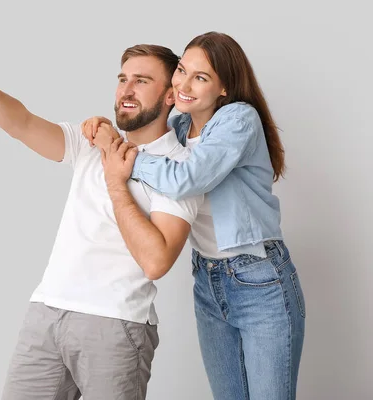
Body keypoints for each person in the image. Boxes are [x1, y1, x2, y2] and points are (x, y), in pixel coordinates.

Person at [0, 26, 204, 400]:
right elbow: (20, 123)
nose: (126, 90)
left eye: (142, 81)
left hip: (116, 324)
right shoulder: (92, 143)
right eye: (122, 79)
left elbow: (156, 262)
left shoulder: (181, 168)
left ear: (169, 95)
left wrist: (118, 183)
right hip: (46, 314)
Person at [82, 31, 306, 400]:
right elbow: (145, 130)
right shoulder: (182, 125)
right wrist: (104, 125)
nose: (183, 85)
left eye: (200, 78)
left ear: (224, 88)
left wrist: (123, 157)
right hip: (209, 279)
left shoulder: (238, 118)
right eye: (181, 70)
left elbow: (184, 178)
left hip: (259, 280)